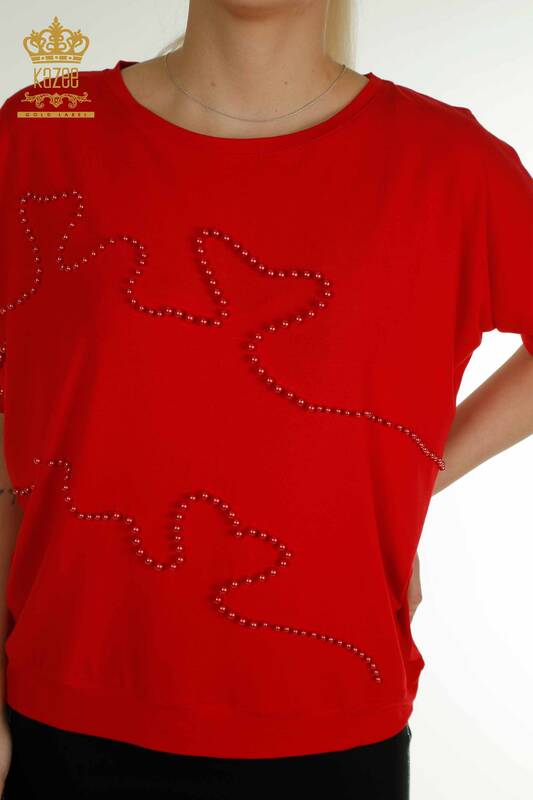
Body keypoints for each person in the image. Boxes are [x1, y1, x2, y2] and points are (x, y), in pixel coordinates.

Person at [0, 1, 532, 797]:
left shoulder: (449, 164)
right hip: (64, 707)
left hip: (329, 724)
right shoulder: (41, 129)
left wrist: (403, 479)